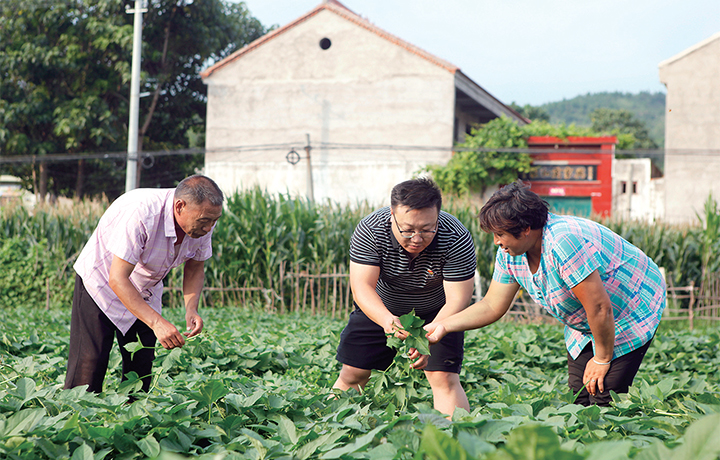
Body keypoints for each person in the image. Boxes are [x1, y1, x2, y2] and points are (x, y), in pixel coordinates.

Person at [425, 180, 666, 406]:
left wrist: (602, 359)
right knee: (579, 396)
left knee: (603, 392)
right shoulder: (511, 254)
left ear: (526, 228)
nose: (497, 241)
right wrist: (444, 325)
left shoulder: (563, 242)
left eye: (501, 234)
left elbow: (600, 308)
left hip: (631, 308)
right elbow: (491, 305)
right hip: (587, 319)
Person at [64, 175, 224, 393]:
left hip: (144, 288)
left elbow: (195, 267)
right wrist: (157, 323)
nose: (209, 228)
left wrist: (191, 309)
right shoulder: (142, 213)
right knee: (89, 364)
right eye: (205, 221)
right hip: (100, 284)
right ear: (180, 207)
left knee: (140, 368)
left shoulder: (202, 222)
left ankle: (132, 422)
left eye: (214, 221)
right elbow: (117, 279)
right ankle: (78, 420)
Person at [332, 177, 477, 416]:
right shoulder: (371, 230)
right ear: (392, 215)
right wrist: (387, 321)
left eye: (427, 229)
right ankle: (330, 432)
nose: (417, 239)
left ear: (437, 217)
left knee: (443, 376)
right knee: (353, 373)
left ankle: (453, 441)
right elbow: (362, 287)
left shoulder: (455, 236)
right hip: (380, 306)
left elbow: (457, 298)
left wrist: (431, 334)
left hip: (439, 310)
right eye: (407, 230)